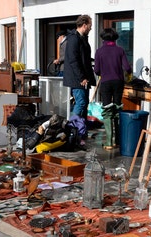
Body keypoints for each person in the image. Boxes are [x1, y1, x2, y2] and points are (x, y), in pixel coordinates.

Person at [94, 27, 132, 150]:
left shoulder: (99, 51)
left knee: (107, 110)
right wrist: (129, 75)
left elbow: (97, 70)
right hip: (118, 82)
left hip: (105, 82)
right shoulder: (120, 50)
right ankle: (118, 140)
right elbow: (127, 67)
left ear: (103, 39)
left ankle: (109, 142)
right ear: (115, 38)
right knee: (117, 108)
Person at [63, 14, 96, 148]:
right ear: (84, 25)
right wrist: (81, 77)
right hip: (78, 79)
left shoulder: (82, 38)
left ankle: (80, 134)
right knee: (81, 103)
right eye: (90, 25)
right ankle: (71, 130)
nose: (91, 28)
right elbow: (73, 60)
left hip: (83, 78)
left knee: (84, 104)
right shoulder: (74, 39)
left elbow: (83, 58)